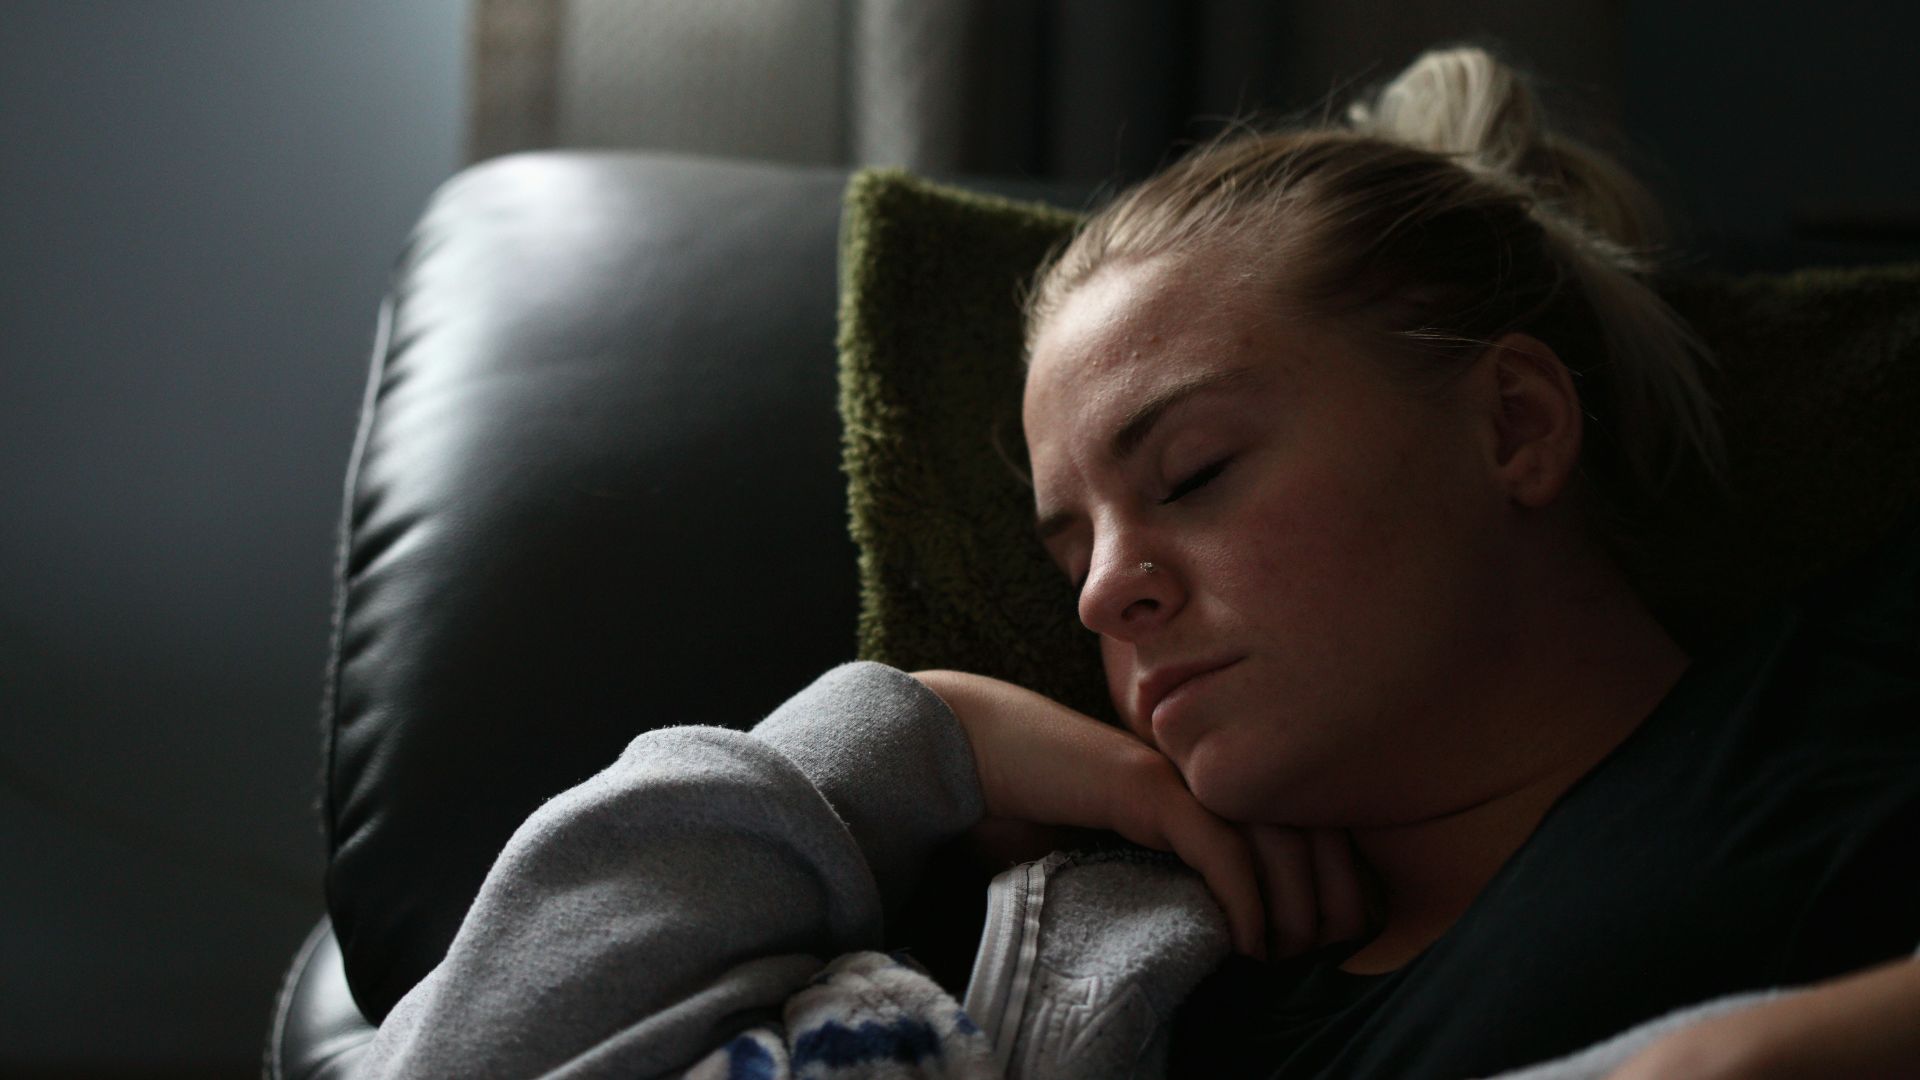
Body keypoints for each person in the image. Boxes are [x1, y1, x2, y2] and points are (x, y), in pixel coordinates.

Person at [355, 47, 1920, 1079]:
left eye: (1195, 475)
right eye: (1072, 552)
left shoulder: (1849, 691)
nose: (1107, 591)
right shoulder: (1133, 968)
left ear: (1513, 425)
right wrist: (914, 735)